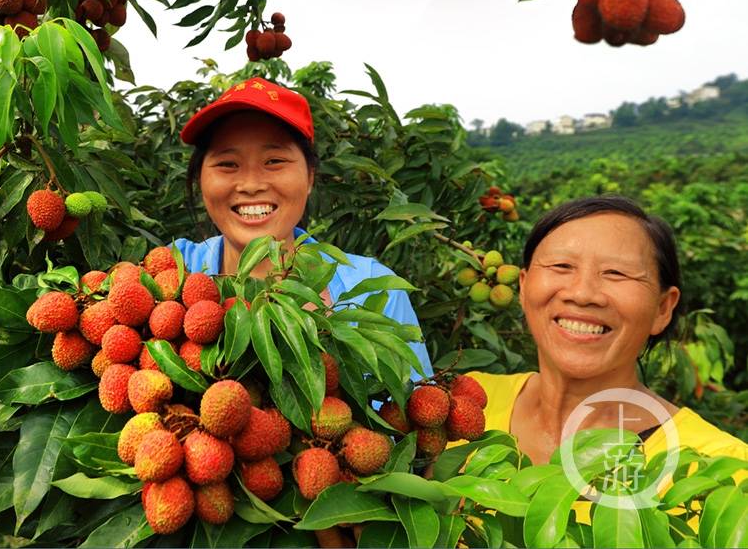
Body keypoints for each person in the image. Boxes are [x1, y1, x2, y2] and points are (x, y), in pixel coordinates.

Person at [463, 196, 747, 523]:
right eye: (561, 266)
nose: (583, 293)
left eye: (616, 273)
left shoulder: (723, 472)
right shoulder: (467, 401)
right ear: (524, 289)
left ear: (662, 308)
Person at [172, 77, 433, 377]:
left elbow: (412, 413)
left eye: (274, 160)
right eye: (228, 164)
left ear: (310, 177)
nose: (252, 185)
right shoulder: (171, 271)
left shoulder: (376, 291)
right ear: (200, 178)